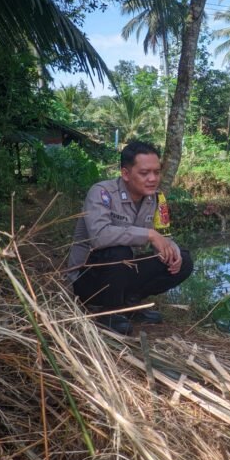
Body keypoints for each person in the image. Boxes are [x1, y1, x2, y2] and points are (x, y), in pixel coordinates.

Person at [67, 141, 193, 334]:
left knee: (184, 260)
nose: (152, 179)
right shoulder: (101, 193)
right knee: (119, 251)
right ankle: (109, 313)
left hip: (122, 273)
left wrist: (171, 250)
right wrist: (149, 234)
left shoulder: (156, 199)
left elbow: (164, 236)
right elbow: (99, 237)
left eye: (156, 172)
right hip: (88, 281)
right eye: (144, 173)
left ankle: (129, 304)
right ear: (126, 174)